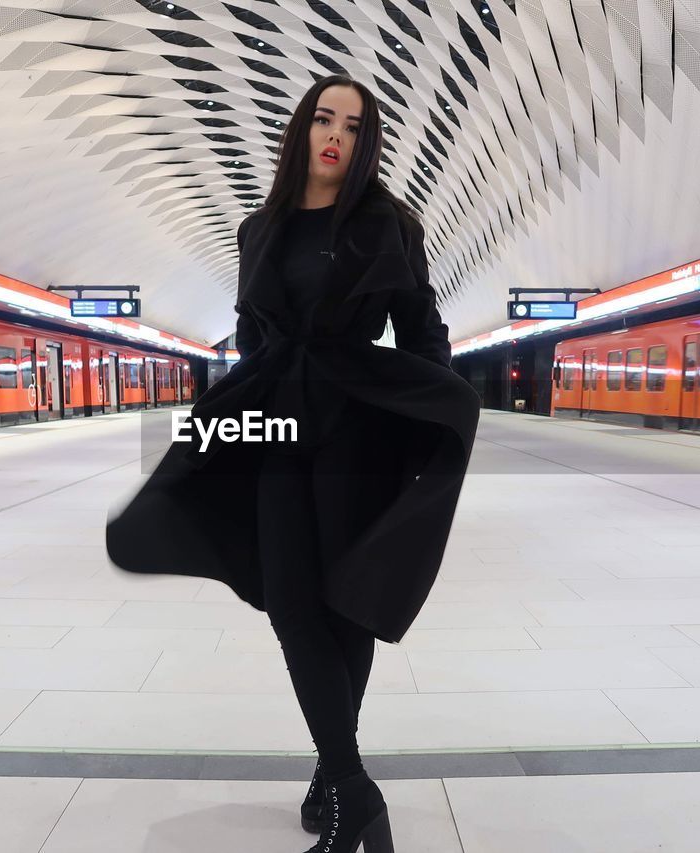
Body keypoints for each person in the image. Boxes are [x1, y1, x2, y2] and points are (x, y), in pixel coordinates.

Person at [106, 74, 481, 852]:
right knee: (290, 600)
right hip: (278, 420)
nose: (335, 133)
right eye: (323, 118)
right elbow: (251, 337)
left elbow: (420, 332)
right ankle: (349, 782)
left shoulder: (388, 226)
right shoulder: (259, 227)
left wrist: (424, 418)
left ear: (365, 140)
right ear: (302, 130)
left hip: (357, 430)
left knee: (347, 599)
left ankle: (336, 782)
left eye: (352, 123)